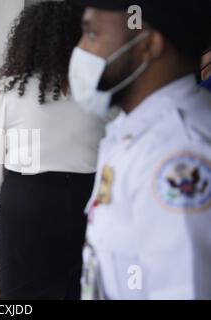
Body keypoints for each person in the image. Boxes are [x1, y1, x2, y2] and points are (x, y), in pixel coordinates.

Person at [68, 0, 211, 299]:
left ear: (148, 46)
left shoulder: (177, 156)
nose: (80, 50)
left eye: (92, 35)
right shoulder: (134, 133)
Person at [0, 1, 106, 300]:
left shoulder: (9, 89)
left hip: (27, 196)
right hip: (88, 197)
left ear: (26, 39)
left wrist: (6, 199)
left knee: (22, 289)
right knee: (80, 287)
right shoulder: (98, 87)